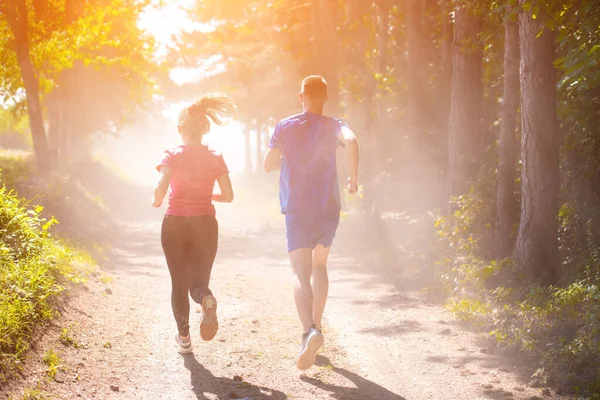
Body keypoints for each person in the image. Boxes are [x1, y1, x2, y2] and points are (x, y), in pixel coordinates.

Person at [263, 75, 360, 370]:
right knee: (320, 266)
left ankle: (309, 331)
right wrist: (353, 178)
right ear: (325, 98)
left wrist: (286, 160)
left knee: (300, 271)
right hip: (328, 206)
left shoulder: (284, 126)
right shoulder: (334, 125)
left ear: (301, 96)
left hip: (297, 206)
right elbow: (352, 140)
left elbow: (268, 163)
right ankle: (317, 325)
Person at [152, 95, 235, 354]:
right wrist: (206, 195)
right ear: (204, 129)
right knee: (197, 282)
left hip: (175, 223)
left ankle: (185, 339)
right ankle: (204, 299)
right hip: (205, 226)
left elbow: (161, 186)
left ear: (180, 129)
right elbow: (229, 196)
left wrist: (156, 200)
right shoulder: (215, 156)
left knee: (178, 281)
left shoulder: (172, 155)